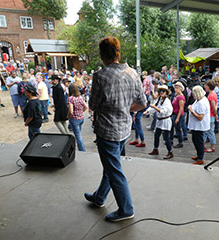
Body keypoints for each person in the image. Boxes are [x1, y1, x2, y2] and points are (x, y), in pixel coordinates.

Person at [85, 36, 146, 222]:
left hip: (107, 131)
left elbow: (93, 104)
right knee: (111, 166)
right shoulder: (133, 73)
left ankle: (126, 210)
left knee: (114, 170)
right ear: (118, 52)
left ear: (102, 55)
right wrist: (126, 109)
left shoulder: (100, 76)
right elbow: (142, 103)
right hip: (124, 129)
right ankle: (99, 197)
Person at [146, 85, 174, 159]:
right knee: (156, 136)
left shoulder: (167, 101)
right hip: (159, 121)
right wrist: (147, 111)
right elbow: (154, 106)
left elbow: (162, 111)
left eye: (163, 91)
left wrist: (154, 107)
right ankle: (155, 149)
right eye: (160, 91)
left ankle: (170, 152)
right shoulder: (159, 99)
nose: (161, 92)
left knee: (166, 138)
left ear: (166, 93)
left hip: (165, 121)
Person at [188, 85, 210, 165]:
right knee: (195, 140)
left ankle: (200, 158)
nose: (192, 95)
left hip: (199, 126)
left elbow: (200, 117)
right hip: (196, 126)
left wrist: (191, 111)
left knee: (199, 141)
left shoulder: (201, 102)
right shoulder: (199, 99)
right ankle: (198, 155)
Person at [67, 83, 87, 151]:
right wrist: (81, 112)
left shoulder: (70, 99)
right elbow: (86, 107)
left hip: (74, 119)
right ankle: (79, 147)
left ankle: (82, 150)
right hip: (81, 118)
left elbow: (71, 111)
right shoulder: (80, 97)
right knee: (78, 134)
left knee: (78, 136)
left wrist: (68, 117)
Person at [170, 81, 185, 148]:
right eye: (175, 88)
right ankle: (170, 140)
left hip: (178, 114)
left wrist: (178, 118)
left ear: (181, 89)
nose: (175, 89)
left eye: (177, 88)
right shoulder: (176, 95)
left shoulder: (181, 97)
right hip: (174, 113)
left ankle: (180, 142)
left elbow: (181, 108)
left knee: (178, 128)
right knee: (171, 127)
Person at [204, 80, 218, 152]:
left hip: (210, 115)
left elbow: (213, 106)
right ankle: (204, 145)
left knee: (210, 131)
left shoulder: (211, 95)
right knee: (207, 131)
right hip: (210, 115)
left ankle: (212, 146)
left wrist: (215, 114)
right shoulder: (213, 94)